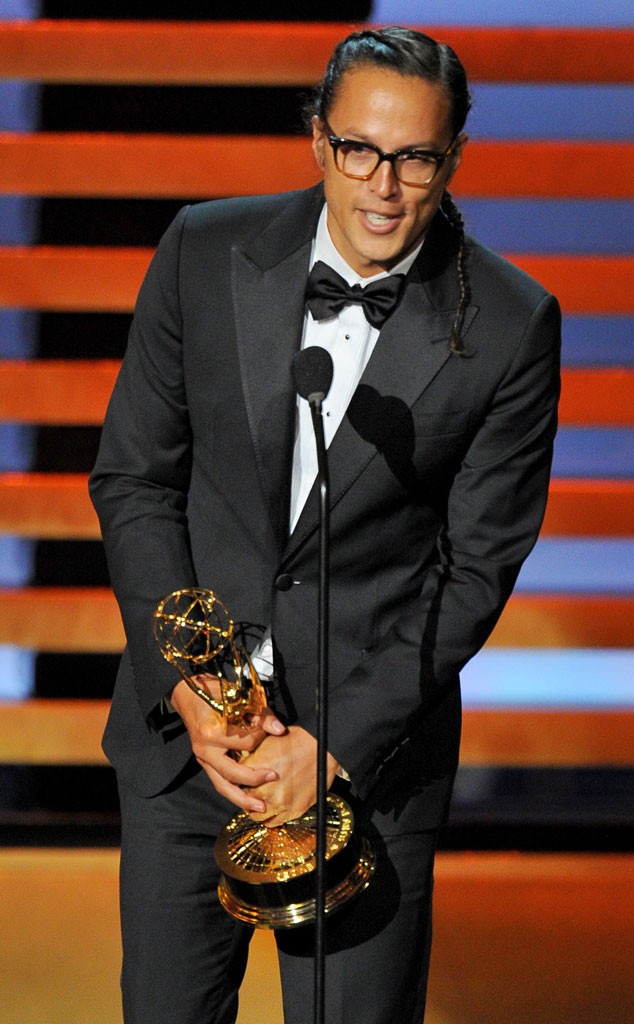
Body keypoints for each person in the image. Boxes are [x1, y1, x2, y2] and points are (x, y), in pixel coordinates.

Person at [89, 25, 560, 1024]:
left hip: (369, 771)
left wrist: (332, 742)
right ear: (318, 140)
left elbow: (473, 568)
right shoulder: (202, 251)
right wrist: (193, 682)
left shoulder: (512, 326)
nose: (383, 186)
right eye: (359, 150)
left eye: (415, 158)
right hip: (192, 749)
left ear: (452, 159)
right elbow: (135, 478)